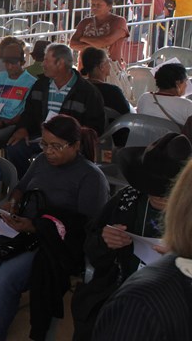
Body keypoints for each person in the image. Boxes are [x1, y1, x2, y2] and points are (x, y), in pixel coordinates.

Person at [0, 115, 109, 341]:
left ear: (76, 146)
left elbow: (85, 228)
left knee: (5, 278)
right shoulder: (41, 161)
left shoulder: (90, 177)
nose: (49, 151)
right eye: (45, 144)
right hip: (22, 228)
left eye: (56, 146)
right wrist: (14, 202)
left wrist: (38, 227)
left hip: (52, 244)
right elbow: (20, 187)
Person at [72, 132, 192, 340]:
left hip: (176, 301)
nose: (157, 196)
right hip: (119, 287)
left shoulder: (187, 214)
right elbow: (91, 249)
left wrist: (180, 260)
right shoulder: (127, 200)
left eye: (165, 192)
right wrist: (104, 241)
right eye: (151, 189)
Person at [7, 43, 105, 176]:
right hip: (40, 137)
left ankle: (56, 187)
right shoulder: (40, 85)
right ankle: (26, 184)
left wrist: (68, 138)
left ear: (60, 63)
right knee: (15, 148)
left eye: (46, 60)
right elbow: (29, 112)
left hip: (69, 142)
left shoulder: (87, 91)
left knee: (60, 154)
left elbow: (95, 127)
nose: (43, 64)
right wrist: (23, 128)